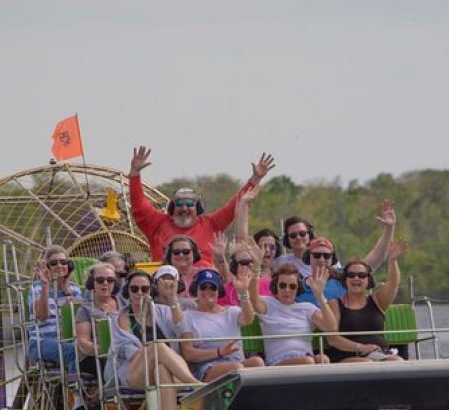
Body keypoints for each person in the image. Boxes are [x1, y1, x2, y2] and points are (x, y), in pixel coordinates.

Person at [128, 146, 275, 265]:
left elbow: (234, 206)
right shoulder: (157, 223)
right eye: (179, 203)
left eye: (190, 203)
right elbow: (139, 204)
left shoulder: (210, 224)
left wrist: (255, 179)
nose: (184, 208)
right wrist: (135, 173)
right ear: (172, 207)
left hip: (203, 289)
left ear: (197, 208)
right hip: (166, 286)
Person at [108, 270, 200, 410]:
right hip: (136, 371)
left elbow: (182, 329)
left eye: (144, 289)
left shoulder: (163, 311)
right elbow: (128, 352)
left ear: (150, 291)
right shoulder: (118, 319)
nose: (139, 293)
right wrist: (153, 351)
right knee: (158, 347)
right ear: (128, 291)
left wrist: (172, 299)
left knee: (161, 369)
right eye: (134, 289)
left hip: (171, 370)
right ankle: (196, 385)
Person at [325, 239, 408, 363]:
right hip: (346, 356)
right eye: (351, 275)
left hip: (379, 354)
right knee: (366, 363)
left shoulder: (377, 301)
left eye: (361, 275)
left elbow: (393, 284)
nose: (356, 278)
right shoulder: (335, 304)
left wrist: (392, 261)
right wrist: (361, 348)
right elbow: (333, 339)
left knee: (397, 361)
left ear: (368, 280)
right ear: (345, 280)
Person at [273, 199, 397, 277]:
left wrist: (389, 229)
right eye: (293, 235)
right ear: (286, 239)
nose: (298, 238)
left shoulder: (333, 272)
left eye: (302, 233)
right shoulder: (279, 263)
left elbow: (370, 263)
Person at [180, 268, 264, 382]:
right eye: (203, 287)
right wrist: (219, 352)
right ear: (196, 290)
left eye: (213, 288)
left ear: (218, 291)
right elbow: (188, 353)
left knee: (257, 363)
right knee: (236, 369)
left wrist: (243, 293)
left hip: (237, 361)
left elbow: (248, 319)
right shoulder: (187, 316)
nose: (208, 291)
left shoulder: (231, 312)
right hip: (208, 367)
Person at [249, 263, 337, 366]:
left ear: (297, 288)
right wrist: (256, 270)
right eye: (282, 285)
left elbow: (331, 327)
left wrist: (320, 296)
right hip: (278, 362)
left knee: (323, 359)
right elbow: (253, 298)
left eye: (292, 286)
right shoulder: (268, 304)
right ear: (276, 286)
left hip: (307, 358)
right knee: (308, 362)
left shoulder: (307, 308)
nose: (287, 290)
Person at [73, 262, 123, 410]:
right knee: (111, 363)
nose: (105, 283)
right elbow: (83, 343)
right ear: (92, 283)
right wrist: (106, 351)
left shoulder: (125, 306)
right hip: (94, 356)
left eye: (110, 280)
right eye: (100, 280)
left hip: (123, 352)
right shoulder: (85, 310)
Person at [27, 245, 83, 369]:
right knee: (75, 351)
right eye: (53, 263)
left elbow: (80, 317)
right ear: (47, 267)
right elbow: (42, 316)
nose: (59, 266)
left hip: (69, 339)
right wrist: (45, 286)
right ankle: (76, 387)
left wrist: (67, 290)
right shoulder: (37, 287)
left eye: (63, 262)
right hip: (41, 341)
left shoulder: (73, 288)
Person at [295, 236, 344, 307]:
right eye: (316, 255)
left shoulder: (343, 280)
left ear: (332, 259)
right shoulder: (298, 286)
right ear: (309, 257)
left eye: (326, 256)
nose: (321, 259)